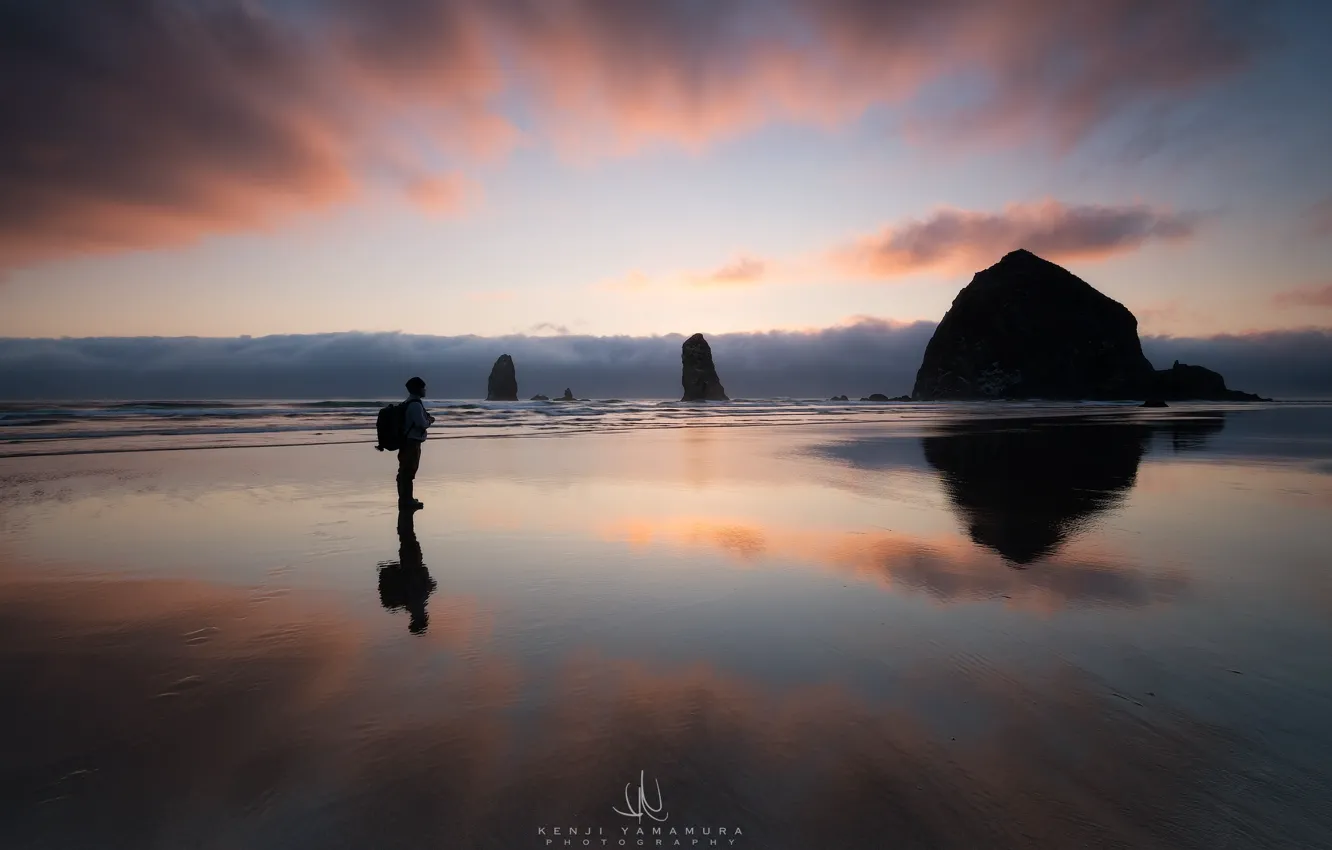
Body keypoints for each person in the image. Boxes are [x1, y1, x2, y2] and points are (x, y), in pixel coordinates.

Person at [398, 376, 435, 510]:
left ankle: (405, 498)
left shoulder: (409, 402)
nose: (425, 390)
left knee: (405, 470)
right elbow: (421, 424)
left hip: (407, 440)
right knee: (408, 471)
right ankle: (407, 500)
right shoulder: (415, 405)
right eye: (423, 387)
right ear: (418, 389)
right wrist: (429, 421)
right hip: (412, 442)